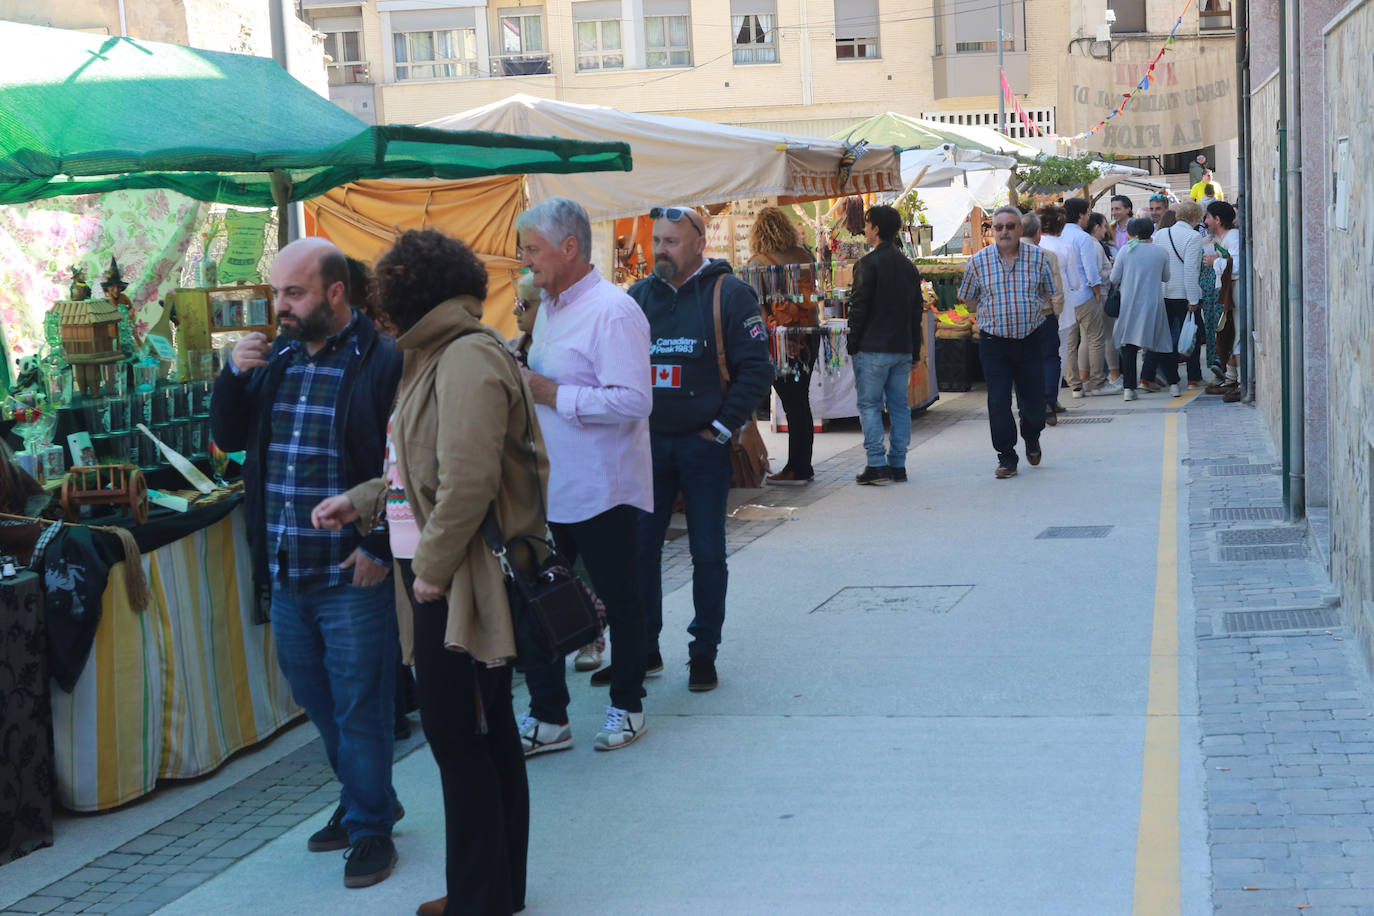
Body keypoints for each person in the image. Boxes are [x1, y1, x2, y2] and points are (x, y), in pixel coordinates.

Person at [312, 229, 537, 916]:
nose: (381, 319)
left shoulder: (464, 356)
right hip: (445, 575)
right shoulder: (438, 355)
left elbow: (468, 479)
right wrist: (360, 498)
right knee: (482, 735)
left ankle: (481, 898)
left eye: (386, 302)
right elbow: (418, 475)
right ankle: (494, 891)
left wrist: (431, 570)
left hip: (458, 580)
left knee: (462, 738)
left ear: (407, 296)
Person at [209, 237, 404, 889]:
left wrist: (379, 546)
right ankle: (363, 800)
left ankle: (371, 826)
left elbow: (403, 468)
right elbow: (231, 441)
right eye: (276, 293)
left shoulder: (381, 363)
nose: (280, 307)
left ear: (336, 293)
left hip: (352, 571)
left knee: (361, 706)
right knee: (317, 701)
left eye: (293, 293)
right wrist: (234, 376)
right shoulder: (277, 359)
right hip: (288, 571)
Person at [512, 197, 654, 754]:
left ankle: (628, 706)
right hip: (551, 483)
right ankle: (550, 717)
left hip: (604, 486)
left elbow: (635, 401)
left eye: (533, 250)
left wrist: (554, 394)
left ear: (570, 248)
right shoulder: (547, 307)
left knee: (621, 599)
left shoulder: (614, 311)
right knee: (538, 598)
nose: (526, 263)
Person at [629, 204, 772, 692]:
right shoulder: (638, 297)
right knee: (641, 552)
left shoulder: (729, 294)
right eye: (656, 242)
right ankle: (644, 648)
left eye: (670, 242)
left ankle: (702, 652)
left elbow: (757, 369)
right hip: (648, 448)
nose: (660, 251)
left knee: (707, 553)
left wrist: (720, 428)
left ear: (697, 244)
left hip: (703, 449)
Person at [957, 206, 1057, 479]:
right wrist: (991, 313)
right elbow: (968, 298)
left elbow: (1049, 292)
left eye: (1010, 226)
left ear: (1020, 229)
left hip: (1030, 339)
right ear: (993, 230)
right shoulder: (978, 261)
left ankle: (1032, 435)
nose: (1004, 232)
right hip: (994, 342)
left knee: (1035, 402)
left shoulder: (1038, 258)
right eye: (999, 227)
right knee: (998, 401)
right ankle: (1006, 457)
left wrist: (1030, 307)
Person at [846, 204, 923, 485]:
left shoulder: (867, 264)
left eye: (867, 224)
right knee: (899, 406)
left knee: (869, 405)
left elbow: (859, 308)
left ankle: (876, 462)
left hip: (872, 347)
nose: (865, 229)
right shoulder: (907, 266)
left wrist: (852, 342)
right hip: (901, 347)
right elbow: (916, 311)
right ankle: (898, 463)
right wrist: (915, 349)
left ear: (876, 228)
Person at [747, 206, 819, 485]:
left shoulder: (758, 263)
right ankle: (803, 465)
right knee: (801, 400)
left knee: (792, 402)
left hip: (781, 339)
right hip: (810, 333)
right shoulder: (805, 255)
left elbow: (756, 308)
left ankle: (797, 469)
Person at [1140, 199, 1204, 391]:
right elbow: (1191, 271)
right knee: (1193, 335)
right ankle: (1193, 378)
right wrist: (1194, 299)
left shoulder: (1160, 234)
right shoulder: (1192, 237)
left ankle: (1146, 377)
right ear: (1195, 218)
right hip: (1183, 294)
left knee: (1159, 335)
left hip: (1162, 291)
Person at [1111, 218, 1175, 400]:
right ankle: (1174, 385)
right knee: (1161, 344)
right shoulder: (1161, 251)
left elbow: (1115, 278)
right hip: (1154, 303)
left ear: (1134, 233)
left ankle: (1129, 389)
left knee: (1129, 346)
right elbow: (1166, 277)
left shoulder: (1126, 250)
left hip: (1130, 304)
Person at [1061, 197, 1112, 397]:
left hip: (1064, 298)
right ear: (1081, 215)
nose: (1088, 217)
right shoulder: (1082, 238)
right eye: (1088, 213)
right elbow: (1090, 269)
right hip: (1084, 294)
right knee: (1095, 339)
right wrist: (1097, 290)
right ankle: (1097, 382)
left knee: (1068, 343)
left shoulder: (1057, 235)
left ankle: (1074, 385)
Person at [1018, 212, 1064, 427]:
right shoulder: (1047, 255)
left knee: (1023, 363)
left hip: (1018, 317)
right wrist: (1056, 311)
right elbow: (1057, 290)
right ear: (1038, 233)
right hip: (1044, 315)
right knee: (1050, 359)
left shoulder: (1009, 254)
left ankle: (1029, 405)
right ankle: (1048, 400)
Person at [1034, 205, 1074, 409]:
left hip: (1037, 306)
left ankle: (1039, 396)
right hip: (1062, 303)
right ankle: (1052, 397)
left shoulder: (1033, 247)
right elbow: (1074, 279)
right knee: (1058, 354)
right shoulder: (1065, 246)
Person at [1203, 200, 1243, 399]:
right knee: (1228, 333)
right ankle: (1231, 379)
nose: (1206, 221)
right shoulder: (1222, 238)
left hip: (1235, 289)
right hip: (1228, 291)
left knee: (1235, 334)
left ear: (1217, 220)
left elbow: (1237, 265)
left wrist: (1214, 262)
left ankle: (1240, 382)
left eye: (1208, 217)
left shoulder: (1233, 237)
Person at [1086, 212, 1122, 387]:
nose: (1106, 230)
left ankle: (1085, 379)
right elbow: (1098, 274)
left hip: (1088, 295)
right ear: (1096, 227)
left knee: (1088, 338)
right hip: (1101, 293)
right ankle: (1114, 375)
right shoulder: (1095, 246)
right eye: (1104, 225)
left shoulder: (1085, 244)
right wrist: (1113, 267)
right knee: (1107, 337)